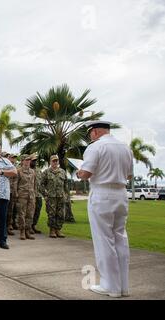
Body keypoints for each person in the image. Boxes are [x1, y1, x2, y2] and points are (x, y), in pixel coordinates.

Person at [77, 120, 133, 298]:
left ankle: (110, 286)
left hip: (102, 194)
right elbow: (129, 175)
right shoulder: (125, 148)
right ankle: (123, 287)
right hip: (121, 194)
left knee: (104, 241)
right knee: (120, 239)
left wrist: (78, 172)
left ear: (94, 132)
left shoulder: (95, 147)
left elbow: (86, 174)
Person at [40, 155, 68, 238]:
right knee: (51, 214)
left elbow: (66, 184)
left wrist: (66, 194)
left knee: (61, 214)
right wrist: (45, 194)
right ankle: (52, 230)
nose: (55, 162)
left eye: (56, 161)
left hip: (61, 196)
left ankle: (58, 230)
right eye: (53, 161)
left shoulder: (62, 172)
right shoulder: (46, 172)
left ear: (58, 162)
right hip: (51, 197)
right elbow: (41, 185)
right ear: (50, 162)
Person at [14, 154, 36, 240]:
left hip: (31, 195)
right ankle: (22, 231)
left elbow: (34, 184)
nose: (28, 161)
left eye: (29, 160)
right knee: (21, 214)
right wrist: (15, 193)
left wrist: (34, 194)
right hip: (22, 195)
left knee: (30, 214)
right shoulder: (18, 171)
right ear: (22, 161)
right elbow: (15, 183)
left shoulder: (33, 171)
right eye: (26, 160)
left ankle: (27, 230)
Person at [30, 153, 43, 234]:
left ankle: (34, 225)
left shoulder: (38, 170)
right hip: (30, 194)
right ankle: (28, 226)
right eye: (33, 160)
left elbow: (41, 182)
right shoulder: (27, 169)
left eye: (35, 160)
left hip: (38, 194)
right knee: (30, 211)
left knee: (37, 210)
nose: (35, 162)